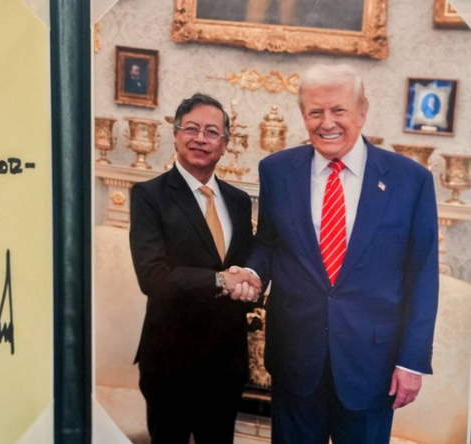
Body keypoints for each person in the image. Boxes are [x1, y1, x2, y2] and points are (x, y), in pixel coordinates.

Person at [240, 64, 439, 443]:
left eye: (339, 110)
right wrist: (252, 273)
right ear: (303, 116)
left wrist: (412, 361)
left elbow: (423, 278)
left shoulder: (410, 180)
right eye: (315, 112)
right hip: (295, 357)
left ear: (362, 112)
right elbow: (267, 243)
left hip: (373, 365)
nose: (327, 122)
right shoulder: (277, 171)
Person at [129, 93, 260, 444]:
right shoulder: (149, 195)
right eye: (192, 128)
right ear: (176, 134)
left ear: (225, 144)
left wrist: (251, 282)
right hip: (170, 361)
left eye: (212, 132)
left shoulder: (238, 201)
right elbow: (152, 276)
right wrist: (220, 280)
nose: (201, 138)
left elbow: (245, 265)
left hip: (226, 362)